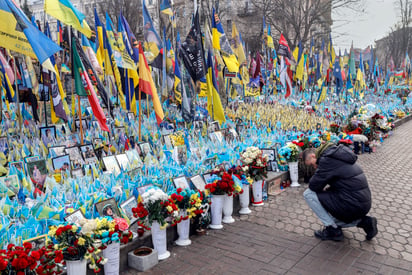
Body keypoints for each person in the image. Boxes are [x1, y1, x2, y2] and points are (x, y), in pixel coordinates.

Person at [302, 143, 378, 241]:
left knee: (308, 194)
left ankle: (333, 230)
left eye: (312, 164)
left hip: (353, 204)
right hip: (362, 203)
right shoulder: (337, 155)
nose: (314, 167)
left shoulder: (326, 160)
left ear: (313, 156)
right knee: (333, 219)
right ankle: (365, 222)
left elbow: (313, 186)